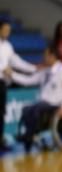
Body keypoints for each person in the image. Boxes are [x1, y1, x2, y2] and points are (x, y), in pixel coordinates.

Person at [12, 43, 62, 153]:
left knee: (37, 109)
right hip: (44, 105)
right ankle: (28, 136)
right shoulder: (45, 71)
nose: (43, 57)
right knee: (27, 109)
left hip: (57, 105)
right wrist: (12, 75)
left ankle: (30, 135)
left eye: (45, 55)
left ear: (52, 56)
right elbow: (28, 80)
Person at [0, 21, 36, 153]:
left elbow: (16, 61)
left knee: (1, 112)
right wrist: (3, 69)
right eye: (4, 29)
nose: (7, 32)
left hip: (3, 83)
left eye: (8, 30)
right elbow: (3, 67)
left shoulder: (8, 46)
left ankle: (0, 139)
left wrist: (32, 69)